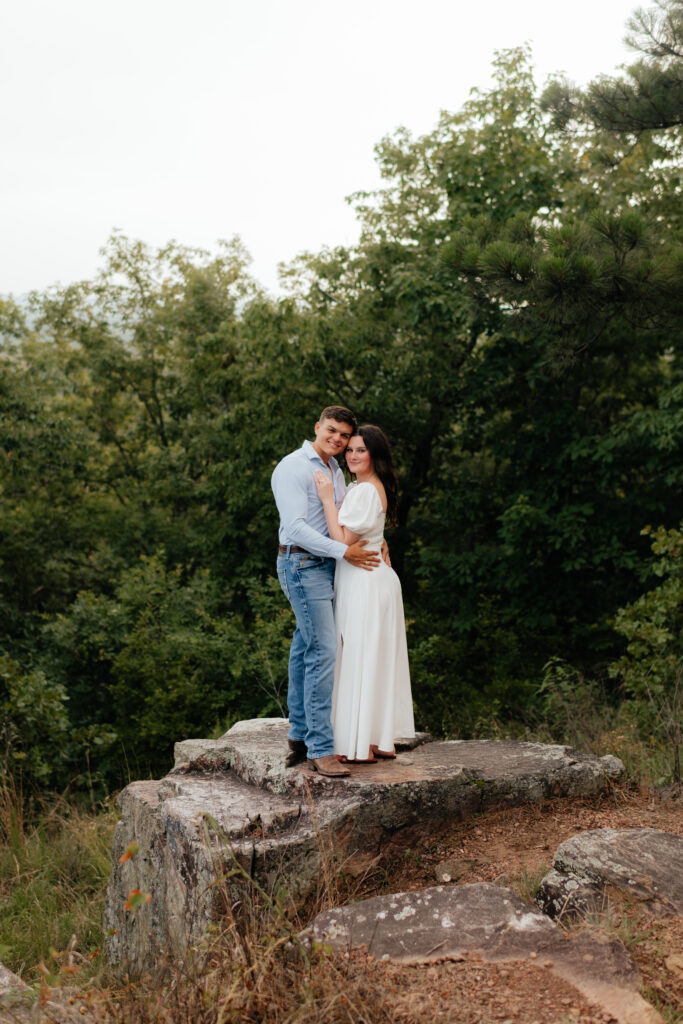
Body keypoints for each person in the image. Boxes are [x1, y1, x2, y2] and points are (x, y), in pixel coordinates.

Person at [271, 406, 381, 778]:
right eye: (331, 431)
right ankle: (320, 748)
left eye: (344, 436)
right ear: (317, 427)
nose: (337, 439)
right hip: (301, 565)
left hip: (326, 566)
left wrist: (374, 541)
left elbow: (348, 518)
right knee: (323, 649)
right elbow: (297, 528)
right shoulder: (292, 467)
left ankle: (299, 735)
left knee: (305, 646)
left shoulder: (335, 468)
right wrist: (344, 551)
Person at [314, 425, 415, 762]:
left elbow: (341, 541)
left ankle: (358, 746)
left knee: (358, 655)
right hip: (375, 579)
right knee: (372, 657)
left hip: (365, 581)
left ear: (375, 454)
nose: (353, 455)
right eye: (350, 450)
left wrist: (328, 499)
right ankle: (375, 739)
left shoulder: (364, 491)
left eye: (361, 450)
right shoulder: (372, 487)